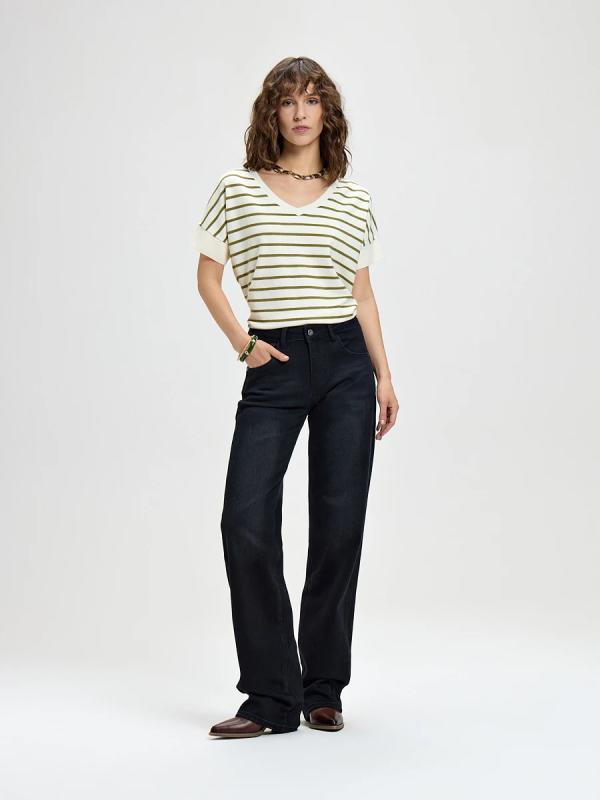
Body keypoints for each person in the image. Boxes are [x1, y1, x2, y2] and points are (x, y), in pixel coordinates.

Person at [194, 56, 399, 738]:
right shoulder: (238, 188)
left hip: (345, 363)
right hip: (274, 364)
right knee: (244, 521)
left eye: (312, 100)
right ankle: (270, 697)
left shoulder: (354, 198)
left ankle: (322, 689)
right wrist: (243, 343)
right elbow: (207, 277)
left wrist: (385, 375)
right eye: (288, 101)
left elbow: (362, 294)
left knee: (339, 527)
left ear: (327, 113)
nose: (301, 112)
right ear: (272, 112)